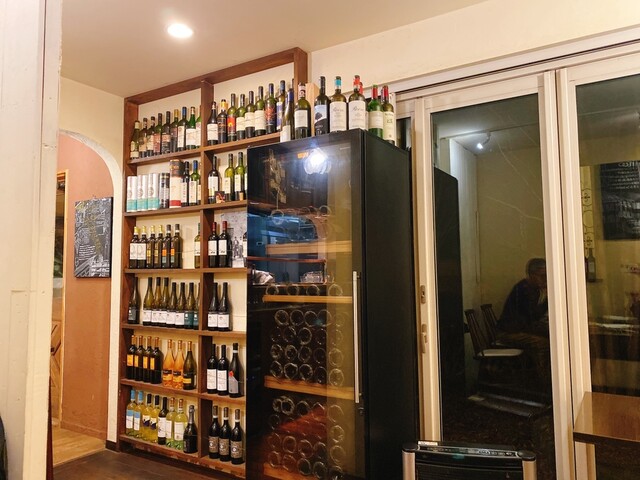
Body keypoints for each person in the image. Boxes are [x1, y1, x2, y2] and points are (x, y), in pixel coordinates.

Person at [497, 258, 551, 390]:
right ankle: (545, 383)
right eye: (542, 276)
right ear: (532, 275)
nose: (545, 279)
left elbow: (532, 318)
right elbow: (531, 317)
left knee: (550, 338)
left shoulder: (533, 289)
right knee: (544, 344)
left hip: (518, 329)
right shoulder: (523, 289)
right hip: (508, 333)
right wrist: (549, 299)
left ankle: (544, 380)